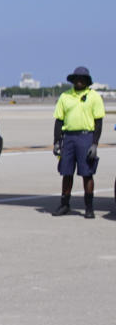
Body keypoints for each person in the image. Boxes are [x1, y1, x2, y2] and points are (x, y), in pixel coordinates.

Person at [52, 66, 105, 218]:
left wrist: (94, 144)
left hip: (86, 137)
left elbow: (98, 123)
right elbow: (58, 121)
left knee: (87, 173)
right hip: (68, 138)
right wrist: (57, 142)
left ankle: (89, 208)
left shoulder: (94, 97)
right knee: (66, 172)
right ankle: (64, 205)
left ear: (87, 81)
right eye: (77, 79)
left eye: (83, 79)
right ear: (73, 80)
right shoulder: (65, 96)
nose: (79, 81)